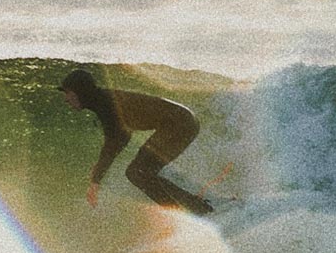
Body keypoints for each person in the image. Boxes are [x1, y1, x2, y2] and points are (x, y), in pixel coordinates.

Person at [57, 67, 217, 216]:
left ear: (81, 92)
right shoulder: (102, 101)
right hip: (184, 121)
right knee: (141, 172)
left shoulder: (105, 102)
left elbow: (116, 139)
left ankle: (182, 213)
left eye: (68, 93)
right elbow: (122, 137)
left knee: (137, 172)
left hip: (180, 123)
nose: (66, 99)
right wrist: (99, 168)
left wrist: (96, 179)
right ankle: (198, 207)